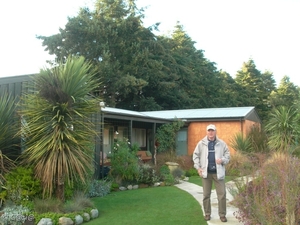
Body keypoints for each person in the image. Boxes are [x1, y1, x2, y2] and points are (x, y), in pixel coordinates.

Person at [192, 124, 230, 222]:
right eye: (209, 131)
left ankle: (222, 215)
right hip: (206, 173)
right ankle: (207, 214)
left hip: (218, 173)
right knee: (206, 195)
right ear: (207, 132)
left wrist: (222, 160)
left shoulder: (222, 143)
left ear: (215, 131)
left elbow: (228, 156)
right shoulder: (201, 143)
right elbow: (195, 156)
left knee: (222, 195)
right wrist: (198, 167)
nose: (211, 132)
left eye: (212, 130)